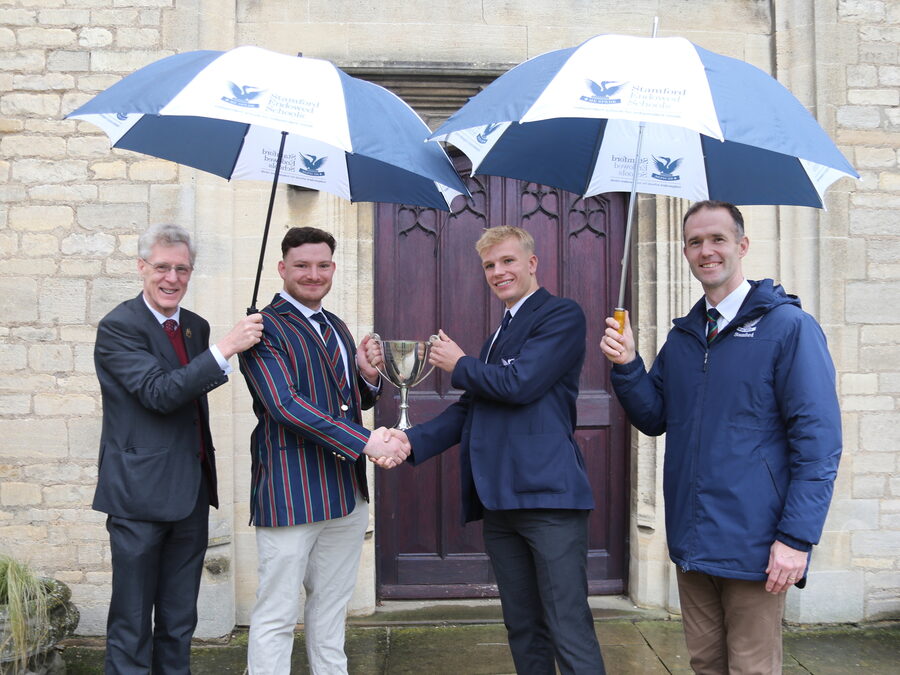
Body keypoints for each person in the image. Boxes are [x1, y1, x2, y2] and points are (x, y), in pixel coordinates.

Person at [600, 200, 842, 674]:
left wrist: (796, 538)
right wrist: (628, 364)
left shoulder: (788, 328)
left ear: (742, 246)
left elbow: (819, 445)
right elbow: (653, 417)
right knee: (706, 663)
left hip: (755, 542)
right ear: (685, 252)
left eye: (717, 239)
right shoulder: (686, 337)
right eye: (694, 242)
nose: (705, 250)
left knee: (751, 667)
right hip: (693, 537)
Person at [375, 226, 605, 675]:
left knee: (567, 628)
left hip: (549, 500)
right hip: (500, 501)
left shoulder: (561, 316)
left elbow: (519, 386)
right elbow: (473, 409)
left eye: (507, 261)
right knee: (522, 627)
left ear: (532, 262)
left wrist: (459, 364)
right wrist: (410, 439)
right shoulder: (500, 333)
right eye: (489, 266)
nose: (498, 272)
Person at [93, 223, 264, 674]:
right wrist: (227, 347)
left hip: (189, 495)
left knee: (178, 621)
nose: (172, 278)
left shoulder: (194, 327)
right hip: (138, 498)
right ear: (141, 267)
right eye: (162, 267)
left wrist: (225, 348)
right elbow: (159, 392)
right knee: (131, 625)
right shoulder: (118, 327)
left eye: (182, 269)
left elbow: (192, 398)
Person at [239, 226, 409, 675]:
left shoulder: (335, 325)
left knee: (332, 609)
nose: (313, 275)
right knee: (277, 613)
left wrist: (366, 376)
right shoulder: (261, 327)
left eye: (322, 266)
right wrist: (367, 440)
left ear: (333, 268)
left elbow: (349, 401)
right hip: (290, 492)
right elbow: (285, 406)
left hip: (345, 494)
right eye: (302, 266)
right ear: (282, 268)